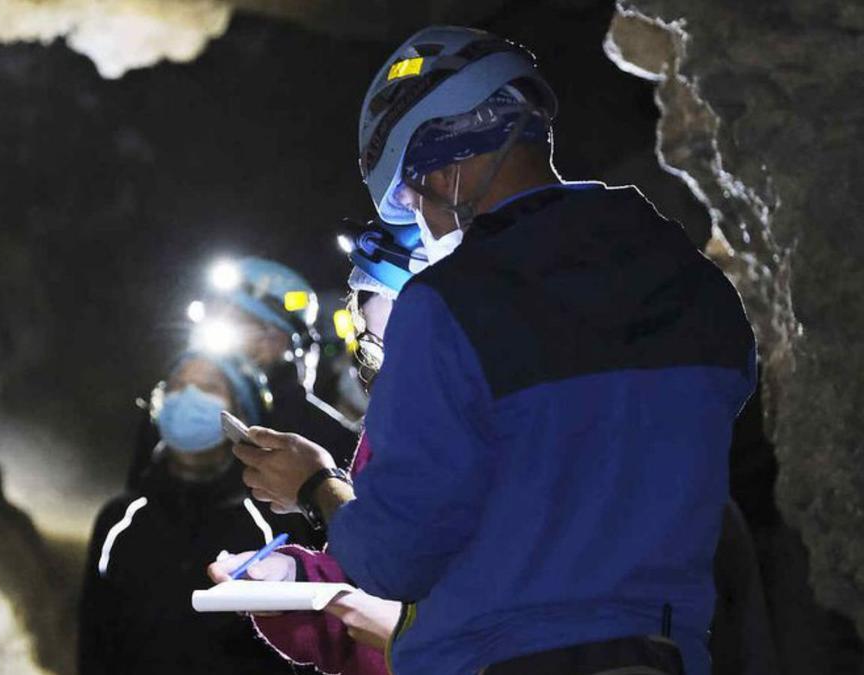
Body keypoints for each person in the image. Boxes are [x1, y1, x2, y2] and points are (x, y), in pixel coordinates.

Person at [225, 26, 757, 675]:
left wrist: (316, 483)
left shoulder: (450, 305)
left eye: (412, 192)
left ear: (444, 166)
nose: (418, 214)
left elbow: (395, 558)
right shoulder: (688, 279)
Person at [207, 227, 423, 675]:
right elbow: (358, 587)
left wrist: (317, 488)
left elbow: (392, 574)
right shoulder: (383, 434)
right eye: (375, 348)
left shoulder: (332, 434)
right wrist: (292, 578)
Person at [78, 352, 312, 675]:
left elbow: (301, 650)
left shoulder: (272, 524)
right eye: (177, 385)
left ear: (240, 412)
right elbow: (95, 643)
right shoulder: (120, 521)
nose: (188, 396)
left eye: (208, 386)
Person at [126, 257, 359, 491]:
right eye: (215, 317)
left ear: (279, 340)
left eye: (240, 321)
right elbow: (139, 492)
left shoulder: (329, 438)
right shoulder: (175, 404)